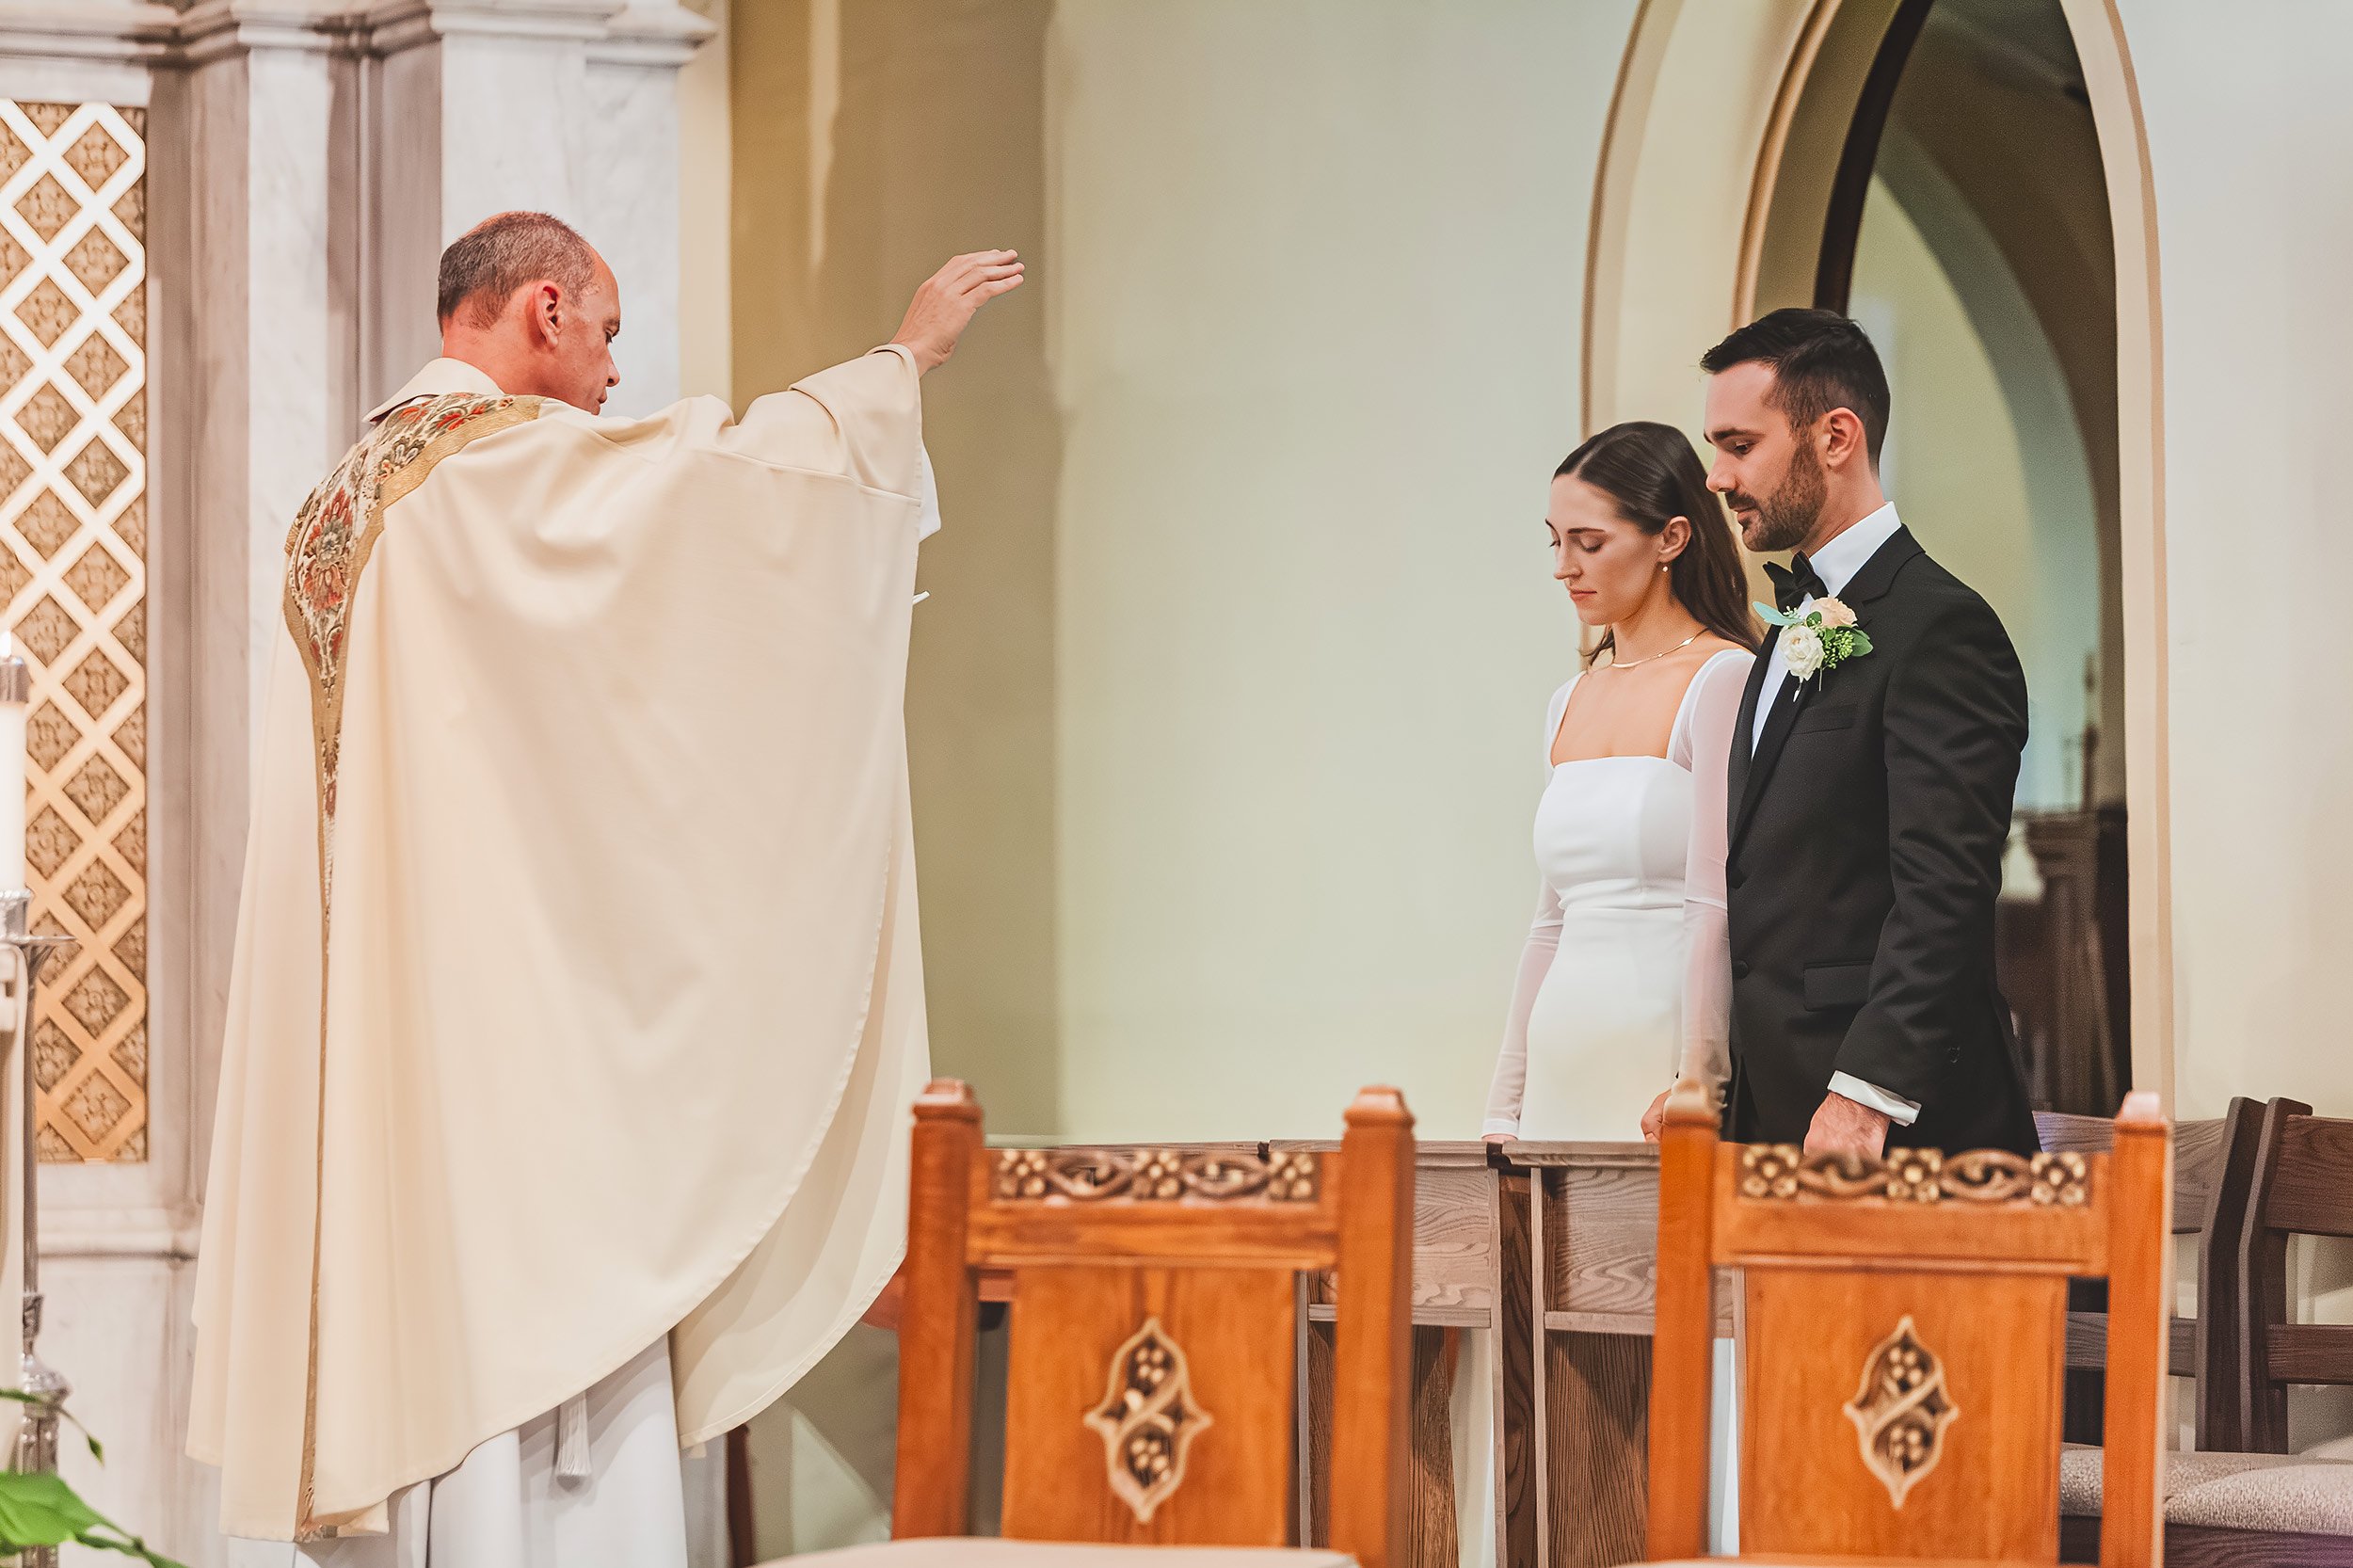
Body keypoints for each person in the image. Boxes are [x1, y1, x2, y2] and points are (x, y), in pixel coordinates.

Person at [190, 211, 1021, 1565]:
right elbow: (725, 493)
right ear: (544, 309)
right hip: (517, 1054)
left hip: (393, 1041)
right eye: (611, 334)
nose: (617, 373)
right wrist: (899, 362)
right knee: (558, 1336)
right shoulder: (487, 473)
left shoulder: (344, 497)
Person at [1646, 307, 2036, 1159]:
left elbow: (1944, 892)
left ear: (1835, 437)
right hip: (1773, 1115)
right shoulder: (1783, 632)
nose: (1715, 476)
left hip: (1898, 1136)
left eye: (1739, 446)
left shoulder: (1941, 629)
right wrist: (1715, 1079)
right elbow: (1773, 893)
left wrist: (1866, 1096)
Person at [1482, 422, 1756, 1145]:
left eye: (1590, 542)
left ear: (1670, 538)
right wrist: (1504, 1105)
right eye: (1556, 541)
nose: (1564, 566)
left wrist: (1700, 1083)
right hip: (1561, 1052)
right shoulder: (1567, 701)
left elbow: (1712, 905)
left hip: (1657, 1052)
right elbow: (1550, 922)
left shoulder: (1722, 677)